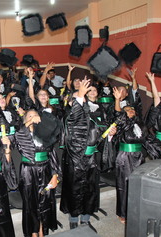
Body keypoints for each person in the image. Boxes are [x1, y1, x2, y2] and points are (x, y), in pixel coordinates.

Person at [60, 79, 115, 230]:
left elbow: (99, 136)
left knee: (90, 189)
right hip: (74, 159)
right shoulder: (70, 115)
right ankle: (73, 219)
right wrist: (79, 94)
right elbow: (75, 119)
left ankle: (85, 219)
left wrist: (109, 135)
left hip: (91, 158)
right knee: (74, 189)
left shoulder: (94, 114)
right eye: (77, 100)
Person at [15, 110, 61, 237]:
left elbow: (52, 154)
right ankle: (33, 231)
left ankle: (42, 230)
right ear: (25, 120)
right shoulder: (22, 134)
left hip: (45, 170)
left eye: (36, 115)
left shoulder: (44, 134)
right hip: (28, 171)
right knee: (31, 203)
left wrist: (55, 175)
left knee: (44, 201)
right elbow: (19, 135)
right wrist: (30, 121)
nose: (34, 117)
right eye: (30, 116)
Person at [112, 87, 148, 223]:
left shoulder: (140, 124)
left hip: (139, 157)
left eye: (132, 109)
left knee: (138, 184)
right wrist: (117, 100)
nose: (130, 111)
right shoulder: (122, 123)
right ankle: (123, 213)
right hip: (125, 157)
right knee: (124, 185)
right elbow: (117, 115)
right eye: (127, 110)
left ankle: (136, 209)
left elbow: (147, 139)